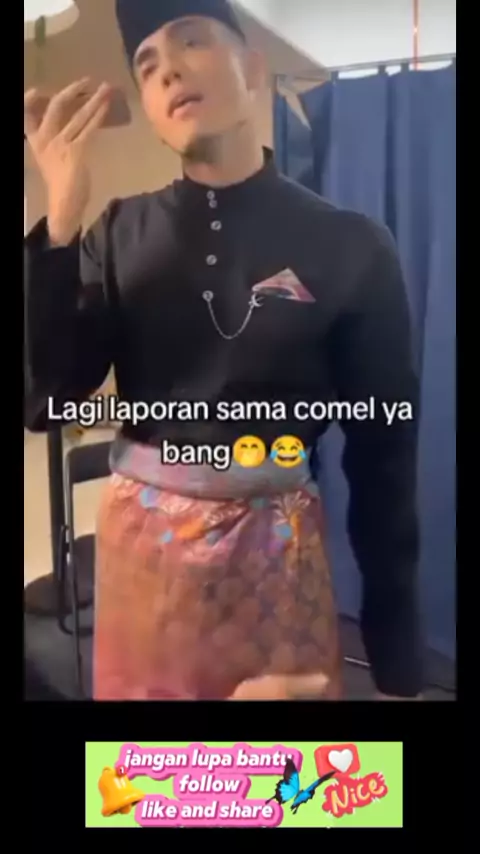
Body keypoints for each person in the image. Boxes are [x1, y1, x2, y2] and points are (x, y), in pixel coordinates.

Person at [24, 0, 423, 701]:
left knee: (281, 769)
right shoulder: (118, 232)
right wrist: (60, 222)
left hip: (275, 559)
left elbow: (383, 464)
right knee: (149, 772)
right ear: (149, 109)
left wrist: (396, 664)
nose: (168, 70)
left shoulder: (351, 245)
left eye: (192, 42)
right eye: (146, 64)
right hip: (142, 561)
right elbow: (43, 399)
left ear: (253, 68)